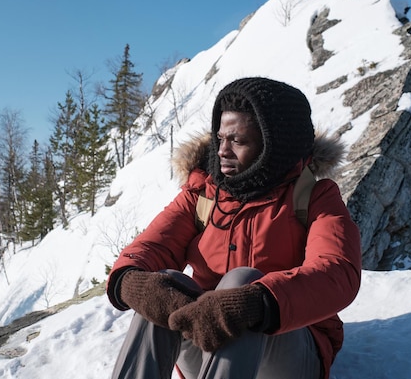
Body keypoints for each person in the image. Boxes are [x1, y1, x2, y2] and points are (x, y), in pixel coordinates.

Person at [106, 77, 362, 379]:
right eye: (220, 139)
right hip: (207, 344)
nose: (222, 151)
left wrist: (258, 302)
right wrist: (130, 281)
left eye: (238, 141)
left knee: (244, 280)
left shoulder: (313, 196)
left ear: (273, 144)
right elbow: (153, 246)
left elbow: (337, 272)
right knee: (164, 285)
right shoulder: (202, 194)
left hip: (289, 353)